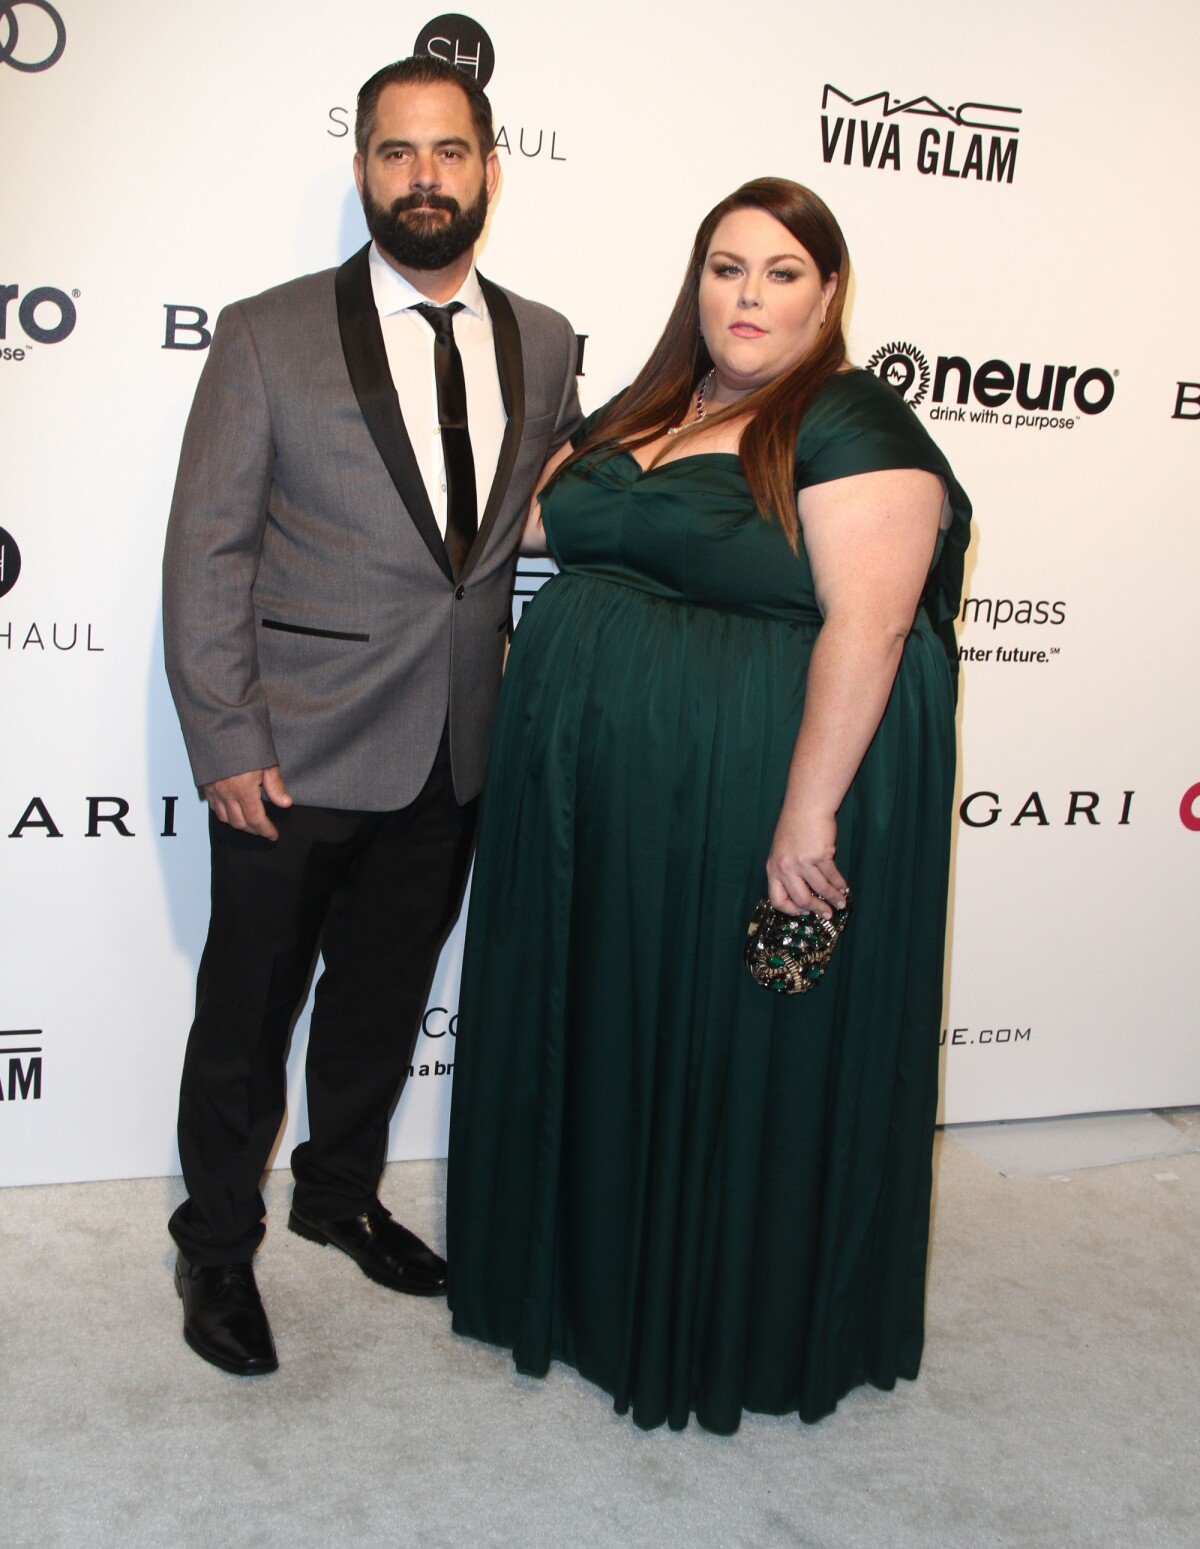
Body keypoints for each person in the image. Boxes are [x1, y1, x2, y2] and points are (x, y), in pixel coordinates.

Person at [446, 177, 971, 1432]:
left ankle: (715, 1321)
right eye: (728, 267)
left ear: (829, 294)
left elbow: (875, 619)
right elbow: (525, 525)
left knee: (726, 1053)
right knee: (607, 1025)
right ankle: (583, 1285)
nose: (749, 295)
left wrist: (805, 816)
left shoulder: (850, 420)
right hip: (597, 804)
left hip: (741, 795)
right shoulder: (652, 401)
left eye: (783, 272)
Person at [162, 55, 581, 1376]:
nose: (423, 178)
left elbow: (530, 531)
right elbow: (207, 551)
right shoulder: (267, 331)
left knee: (384, 1001)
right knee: (246, 1014)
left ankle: (339, 1197)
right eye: (396, 153)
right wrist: (228, 738)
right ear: (361, 171)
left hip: (456, 744)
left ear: (490, 169)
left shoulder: (548, 338)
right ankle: (216, 1244)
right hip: (292, 750)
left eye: (448, 152)